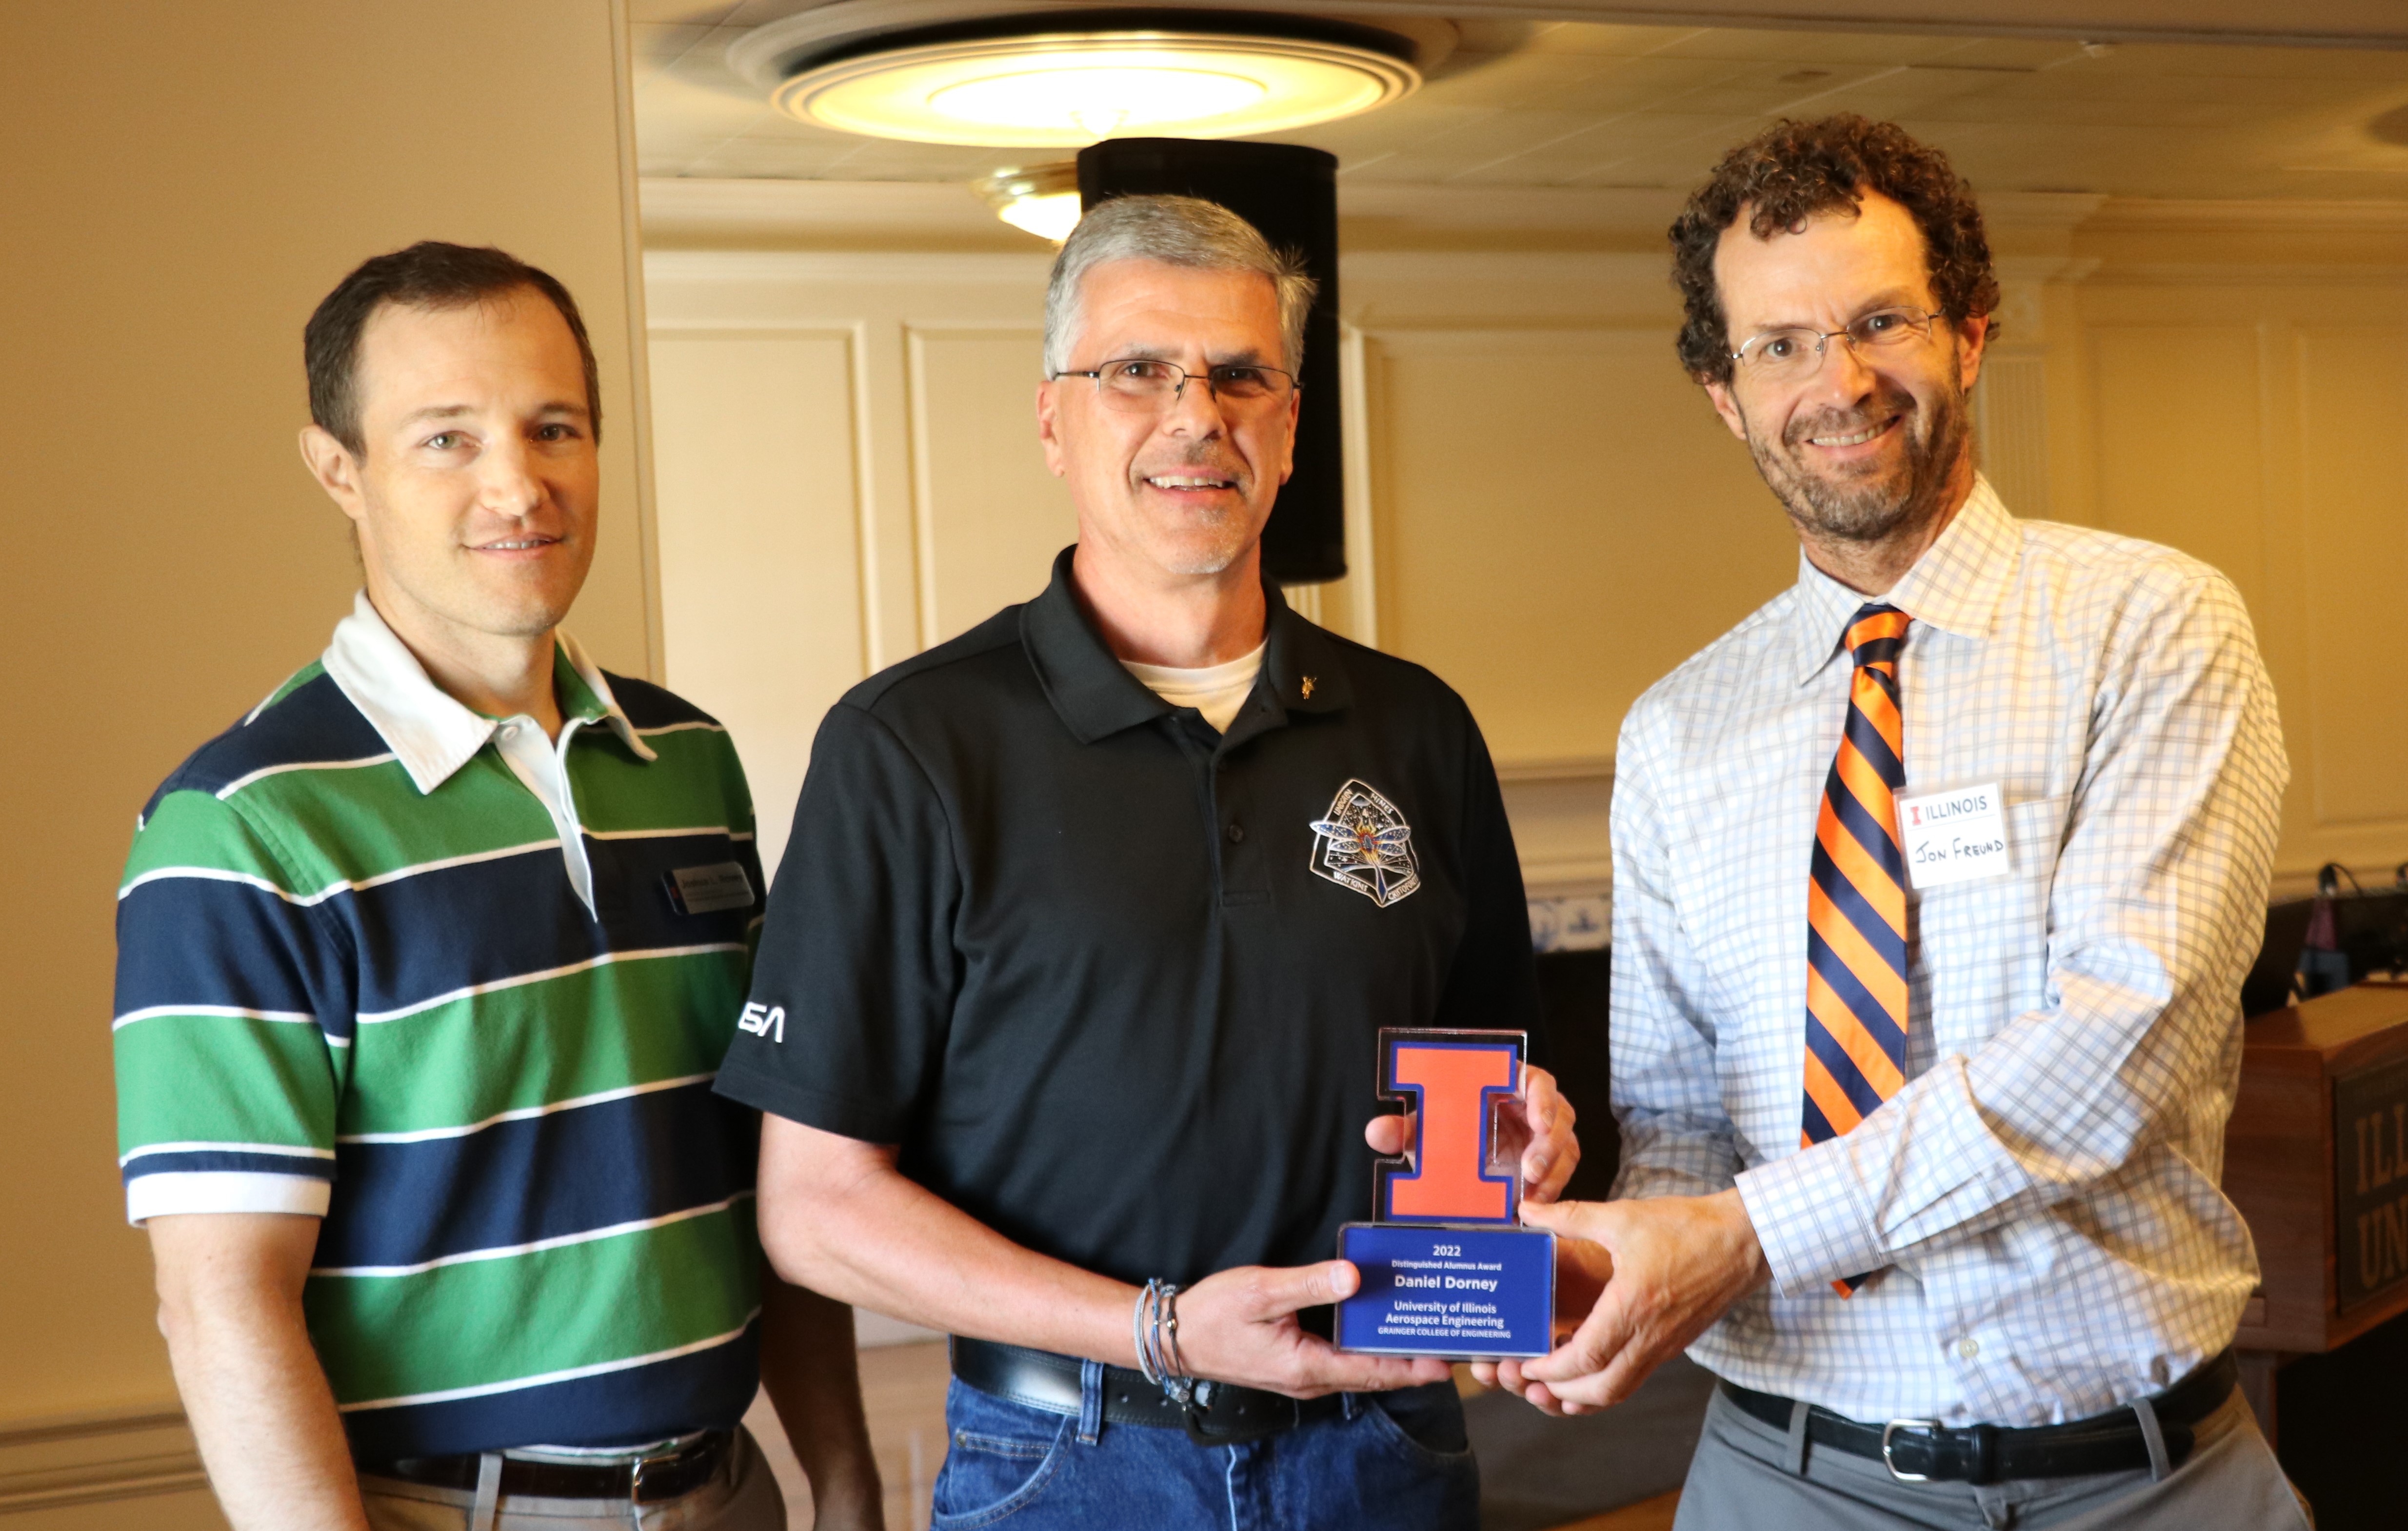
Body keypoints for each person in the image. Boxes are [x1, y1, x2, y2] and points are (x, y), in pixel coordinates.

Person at [712, 194, 1576, 1531]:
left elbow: (1493, 1084)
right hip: (1065, 1462)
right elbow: (816, 1210)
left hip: (1387, 1454)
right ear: (1053, 419)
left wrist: (1534, 1137)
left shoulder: (1417, 728)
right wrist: (1160, 1327)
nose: (1195, 415)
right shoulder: (911, 745)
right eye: (1135, 371)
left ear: (1290, 425)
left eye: (1239, 375)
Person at [1500, 117, 2302, 1530]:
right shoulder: (1678, 729)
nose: (1839, 381)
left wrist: (1737, 1236)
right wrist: (1615, 1258)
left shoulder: (2151, 626)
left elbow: (2109, 1055)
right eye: (1781, 344)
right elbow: (1680, 1112)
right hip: (1785, 1476)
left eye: (1881, 321)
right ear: (1722, 392)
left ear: (1970, 334)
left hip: (2140, 1480)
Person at [113, 242, 880, 1531]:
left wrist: (846, 1475)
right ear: (338, 468)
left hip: (729, 1492)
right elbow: (219, 1299)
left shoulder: (689, 764)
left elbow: (773, 1155)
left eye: (554, 426)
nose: (517, 483)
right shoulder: (241, 827)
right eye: (447, 440)